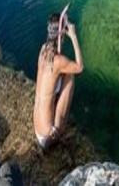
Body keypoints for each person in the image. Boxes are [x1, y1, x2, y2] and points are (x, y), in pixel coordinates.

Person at [33, 12, 83, 149]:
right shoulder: (58, 61)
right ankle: (61, 128)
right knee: (71, 75)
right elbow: (80, 67)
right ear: (61, 34)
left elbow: (55, 67)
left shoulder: (43, 50)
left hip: (37, 129)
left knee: (61, 74)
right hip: (48, 136)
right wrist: (73, 36)